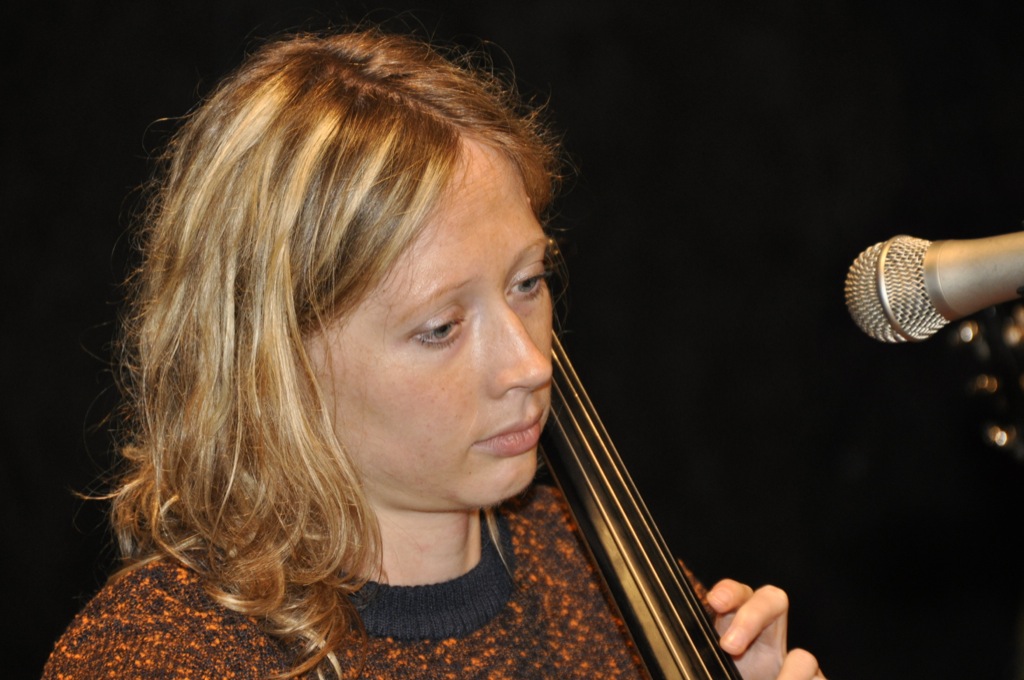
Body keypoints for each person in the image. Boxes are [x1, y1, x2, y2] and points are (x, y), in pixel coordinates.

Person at [43, 27, 824, 679]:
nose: (530, 365)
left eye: (528, 282)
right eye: (442, 327)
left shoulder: (603, 577)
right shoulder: (157, 657)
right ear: (277, 366)